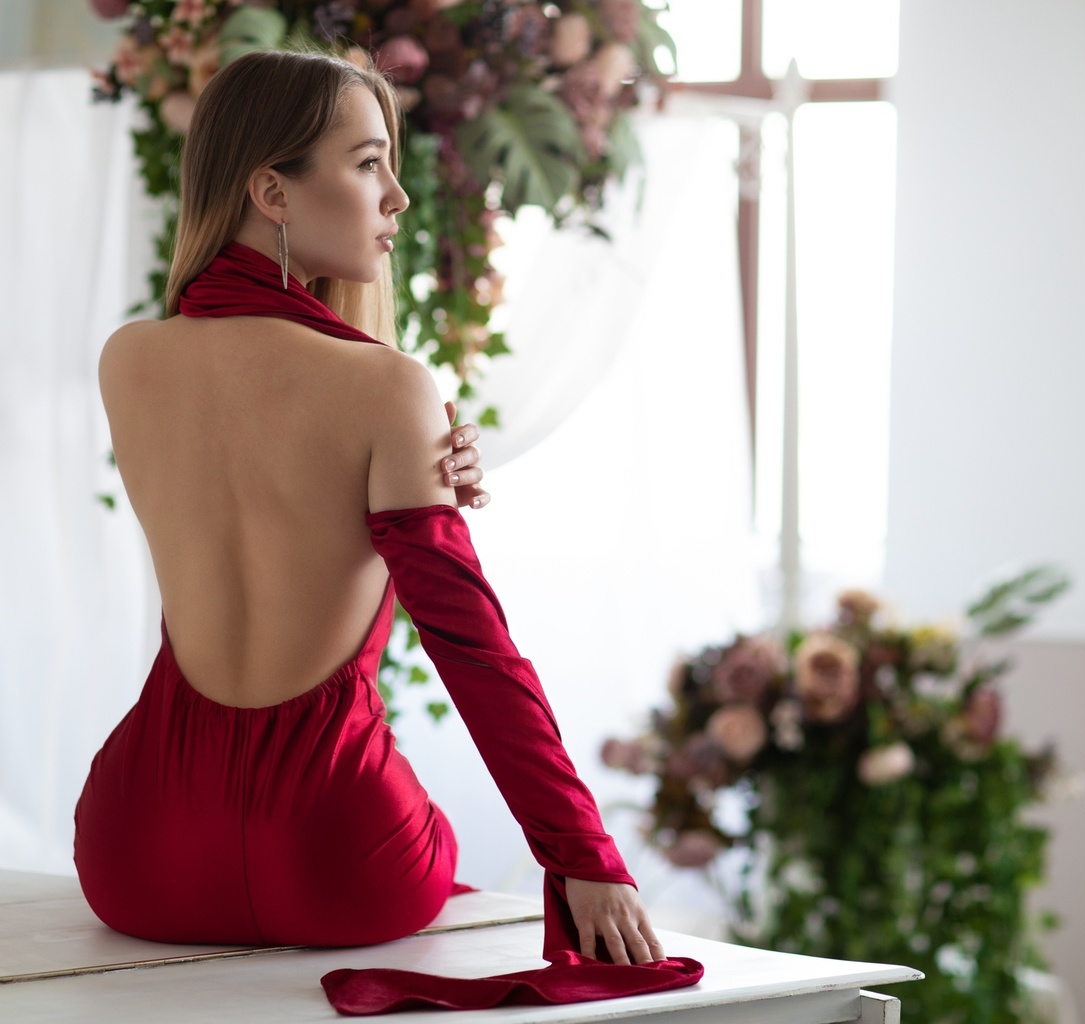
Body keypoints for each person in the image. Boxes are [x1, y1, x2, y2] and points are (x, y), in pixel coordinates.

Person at [72, 48, 667, 975]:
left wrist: (412, 444)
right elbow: (472, 648)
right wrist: (584, 859)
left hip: (138, 856)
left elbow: (253, 465)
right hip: (338, 858)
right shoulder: (388, 389)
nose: (396, 196)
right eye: (366, 163)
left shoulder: (129, 360)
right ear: (272, 190)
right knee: (429, 837)